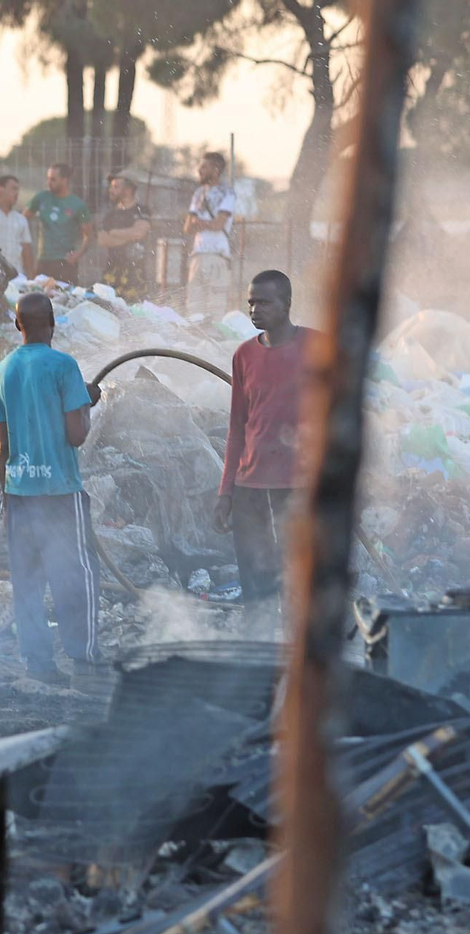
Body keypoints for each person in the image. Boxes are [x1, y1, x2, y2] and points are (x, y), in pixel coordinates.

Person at [0, 292, 104, 687]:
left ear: (18, 324)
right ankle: (85, 663)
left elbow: (2, 447)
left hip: (20, 491)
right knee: (75, 575)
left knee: (27, 581)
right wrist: (86, 404)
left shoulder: (2, 370)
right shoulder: (64, 366)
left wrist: (7, 498)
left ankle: (39, 665)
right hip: (59, 491)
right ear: (53, 324)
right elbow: (76, 436)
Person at [212, 269, 318, 617]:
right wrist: (225, 492)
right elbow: (237, 429)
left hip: (297, 485)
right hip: (250, 485)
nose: (255, 310)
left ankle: (297, 658)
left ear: (287, 304)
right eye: (250, 303)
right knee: (255, 584)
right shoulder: (244, 355)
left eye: (264, 302)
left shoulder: (318, 348)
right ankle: (257, 654)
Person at [183, 150, 237, 322]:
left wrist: (200, 223)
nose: (200, 170)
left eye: (204, 167)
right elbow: (187, 227)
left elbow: (218, 225)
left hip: (217, 255)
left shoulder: (227, 193)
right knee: (193, 306)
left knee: (215, 307)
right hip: (198, 255)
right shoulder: (198, 193)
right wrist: (205, 224)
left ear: (216, 170)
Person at [25, 163, 92, 284]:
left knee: (65, 298)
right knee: (40, 298)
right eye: (48, 178)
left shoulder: (77, 205)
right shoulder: (41, 198)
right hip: (44, 260)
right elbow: (23, 220)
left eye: (53, 179)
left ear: (64, 180)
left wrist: (78, 254)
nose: (48, 182)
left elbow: (88, 235)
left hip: (65, 262)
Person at [97, 174, 151, 302]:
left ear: (128, 190)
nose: (111, 190)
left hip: (135, 273)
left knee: (134, 313)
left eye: (116, 187)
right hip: (111, 273)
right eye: (111, 187)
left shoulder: (141, 210)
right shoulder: (110, 214)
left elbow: (139, 233)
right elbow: (102, 240)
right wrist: (129, 235)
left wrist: (114, 232)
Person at [0, 174, 33, 277]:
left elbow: (27, 252)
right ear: (0, 189)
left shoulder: (21, 219)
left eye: (18, 189)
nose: (17, 193)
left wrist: (31, 277)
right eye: (13, 189)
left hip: (16, 275)